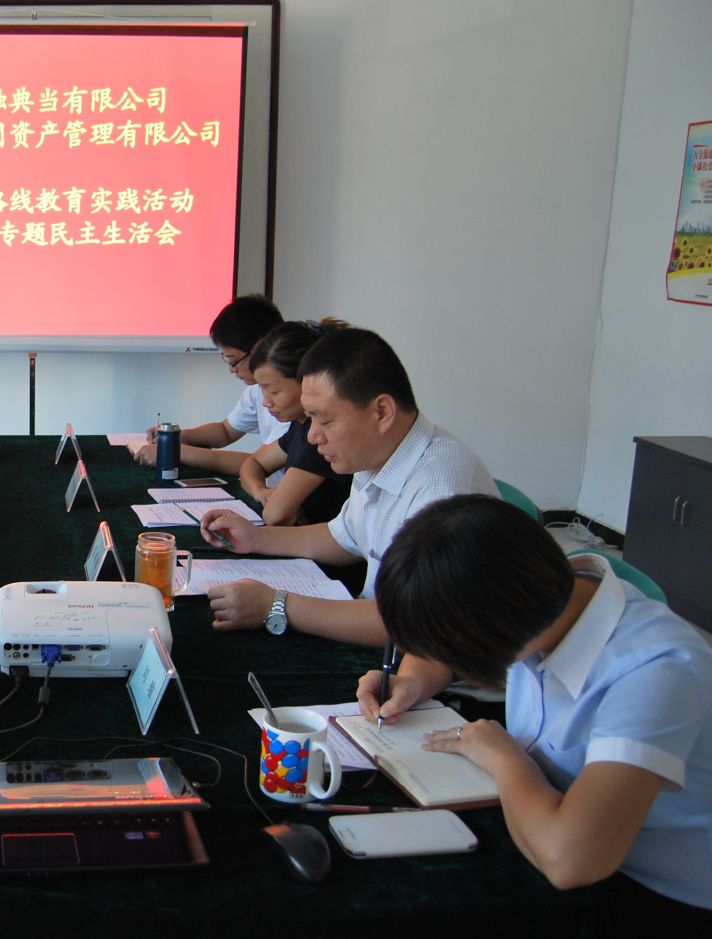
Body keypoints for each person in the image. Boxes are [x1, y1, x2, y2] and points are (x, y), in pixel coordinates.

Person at [357, 495, 712, 911]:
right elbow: (451, 636)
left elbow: (570, 861)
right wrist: (413, 682)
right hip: (548, 817)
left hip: (657, 891)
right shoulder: (541, 593)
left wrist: (506, 759)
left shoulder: (654, 672)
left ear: (489, 634)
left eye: (447, 647)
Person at [198, 328, 496, 644]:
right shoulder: (377, 456)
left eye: (325, 421)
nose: (312, 436)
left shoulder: (441, 489)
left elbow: (417, 622)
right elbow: (343, 537)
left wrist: (277, 606)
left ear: (382, 412)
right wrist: (256, 538)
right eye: (310, 419)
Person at [135, 295, 285, 475]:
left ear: (260, 348)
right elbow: (225, 431)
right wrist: (173, 438)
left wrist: (173, 451)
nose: (231, 370)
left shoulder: (293, 402)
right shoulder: (256, 390)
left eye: (233, 361)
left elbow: (260, 464)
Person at [237, 320, 353, 526]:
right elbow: (252, 464)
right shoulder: (299, 424)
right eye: (262, 390)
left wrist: (273, 502)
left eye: (274, 391)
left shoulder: (320, 436)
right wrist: (259, 490)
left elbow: (277, 514)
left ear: (307, 382)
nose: (266, 401)